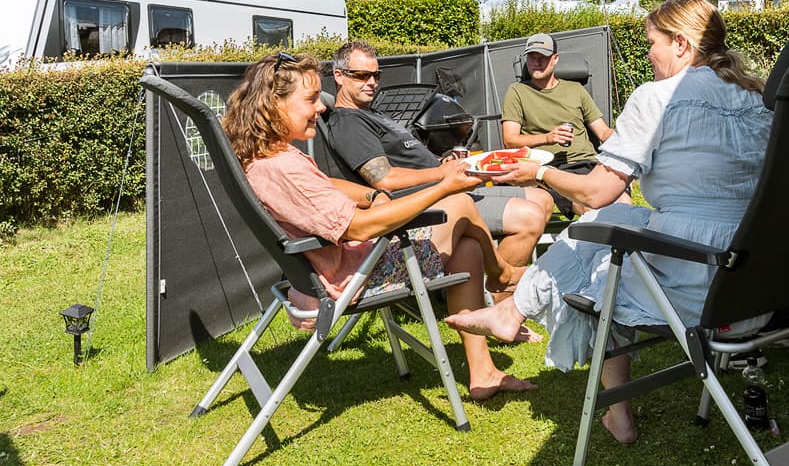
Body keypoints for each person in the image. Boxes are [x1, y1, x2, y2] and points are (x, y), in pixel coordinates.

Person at [445, 0, 774, 442]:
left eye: (651, 45)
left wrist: (538, 171)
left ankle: (514, 311)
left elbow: (600, 188)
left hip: (696, 275)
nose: (649, 57)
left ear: (680, 44)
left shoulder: (660, 97)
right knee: (611, 229)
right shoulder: (758, 98)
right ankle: (515, 312)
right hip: (756, 273)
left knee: (604, 261)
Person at [221, 51, 536, 401]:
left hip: (336, 268)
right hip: (354, 276)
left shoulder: (268, 157)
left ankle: (484, 373)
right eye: (310, 99)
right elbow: (361, 229)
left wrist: (371, 196)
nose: (320, 108)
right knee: (459, 205)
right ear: (273, 104)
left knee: (468, 248)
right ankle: (503, 275)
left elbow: (326, 184)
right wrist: (444, 187)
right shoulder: (283, 168)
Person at [324, 40, 553, 272]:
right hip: (425, 203)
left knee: (543, 199)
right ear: (339, 75)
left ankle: (488, 283)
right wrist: (442, 172)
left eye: (376, 75)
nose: (372, 82)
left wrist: (442, 163)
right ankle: (502, 291)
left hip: (445, 188)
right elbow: (385, 180)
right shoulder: (348, 122)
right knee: (529, 217)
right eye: (362, 76)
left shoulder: (373, 114)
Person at [501, 33, 629, 217]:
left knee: (623, 204)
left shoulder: (576, 89)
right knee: (591, 209)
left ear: (555, 59)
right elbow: (510, 140)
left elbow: (603, 132)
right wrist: (547, 138)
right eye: (531, 57)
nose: (536, 62)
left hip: (589, 164)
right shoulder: (518, 91)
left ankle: (620, 246)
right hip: (552, 169)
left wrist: (630, 143)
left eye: (542, 57)